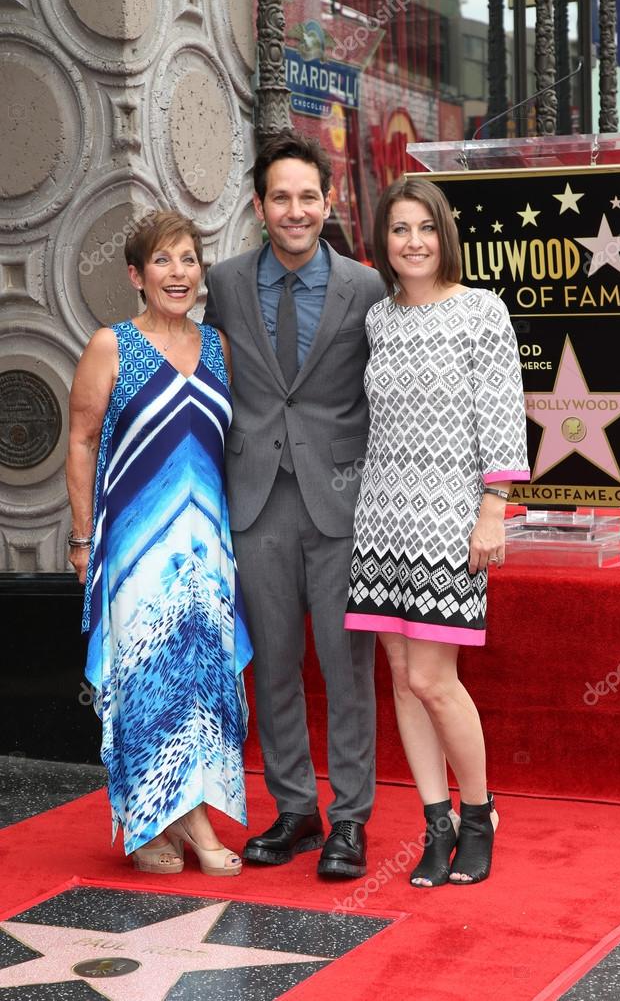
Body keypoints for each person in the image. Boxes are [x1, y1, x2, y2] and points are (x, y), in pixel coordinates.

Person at [203, 130, 384, 878]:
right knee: (274, 663)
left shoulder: (367, 288)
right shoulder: (223, 281)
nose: (296, 209)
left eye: (309, 195)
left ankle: (349, 819)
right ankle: (296, 810)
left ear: (329, 200)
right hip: (255, 500)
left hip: (341, 500)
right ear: (259, 205)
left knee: (346, 665)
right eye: (281, 197)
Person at [345, 178, 529, 887]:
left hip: (451, 516)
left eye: (425, 227)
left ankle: (479, 814)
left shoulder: (480, 310)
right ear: (383, 241)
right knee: (399, 675)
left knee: (433, 677)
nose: (413, 241)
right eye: (399, 229)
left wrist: (493, 505)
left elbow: (503, 410)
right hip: (382, 514)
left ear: (443, 234)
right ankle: (435, 822)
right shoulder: (379, 320)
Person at [67, 210, 252, 876]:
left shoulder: (218, 347)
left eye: (188, 260)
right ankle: (189, 826)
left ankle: (158, 824)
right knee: (150, 680)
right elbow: (83, 441)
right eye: (164, 262)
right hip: (136, 548)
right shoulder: (110, 345)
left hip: (207, 548)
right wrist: (83, 537)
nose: (178, 274)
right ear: (136, 276)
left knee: (199, 687)